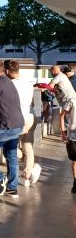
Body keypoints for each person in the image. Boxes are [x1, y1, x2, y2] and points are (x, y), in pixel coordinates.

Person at [0, 60, 25, 199]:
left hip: (6, 126)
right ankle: (12, 188)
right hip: (17, 125)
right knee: (11, 156)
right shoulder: (7, 81)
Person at [5, 60, 41, 187]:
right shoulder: (28, 82)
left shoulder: (9, 84)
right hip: (30, 117)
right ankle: (27, 174)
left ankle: (28, 170)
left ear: (7, 71)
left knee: (10, 147)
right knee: (28, 146)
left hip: (18, 119)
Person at [49, 65, 76, 193]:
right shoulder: (70, 97)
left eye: (51, 71)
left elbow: (50, 86)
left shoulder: (60, 76)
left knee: (75, 160)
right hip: (71, 132)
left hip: (72, 132)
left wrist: (63, 132)